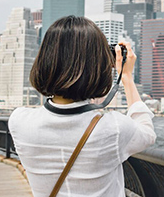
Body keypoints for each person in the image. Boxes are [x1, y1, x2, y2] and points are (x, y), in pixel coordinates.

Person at [9, 16, 156, 196]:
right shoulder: (113, 128)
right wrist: (126, 77)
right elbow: (147, 134)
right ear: (97, 66)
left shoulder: (19, 121)